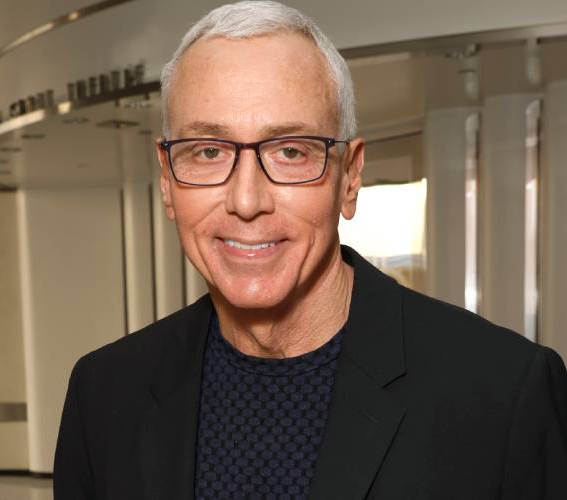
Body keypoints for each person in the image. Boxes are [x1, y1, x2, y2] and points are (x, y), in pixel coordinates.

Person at [53, 2, 567, 499]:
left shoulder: (503, 394)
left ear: (350, 177)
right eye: (208, 151)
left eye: (290, 151)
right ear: (167, 180)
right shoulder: (104, 396)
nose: (246, 201)